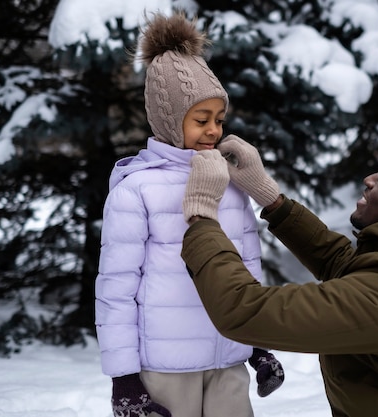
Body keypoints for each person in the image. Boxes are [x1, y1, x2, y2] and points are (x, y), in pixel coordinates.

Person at [180, 134, 378, 417]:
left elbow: (244, 310)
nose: (369, 178)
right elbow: (343, 264)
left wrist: (201, 216)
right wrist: (271, 198)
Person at [95, 12, 283, 417]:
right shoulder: (137, 189)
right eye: (201, 120)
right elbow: (116, 291)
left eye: (218, 119)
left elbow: (247, 267)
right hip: (165, 366)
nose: (214, 130)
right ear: (168, 118)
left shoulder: (231, 182)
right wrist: (124, 378)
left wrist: (258, 344)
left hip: (228, 354)